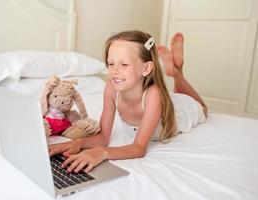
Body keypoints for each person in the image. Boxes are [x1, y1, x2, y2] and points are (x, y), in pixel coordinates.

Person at [49, 30, 207, 173]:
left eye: (124, 64)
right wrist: (79, 143)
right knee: (175, 95)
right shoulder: (111, 87)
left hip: (179, 112)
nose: (115, 71)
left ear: (146, 69)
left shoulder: (154, 95)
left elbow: (139, 148)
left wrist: (101, 153)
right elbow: (104, 136)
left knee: (202, 108)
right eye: (111, 64)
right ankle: (175, 70)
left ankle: (177, 73)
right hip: (159, 103)